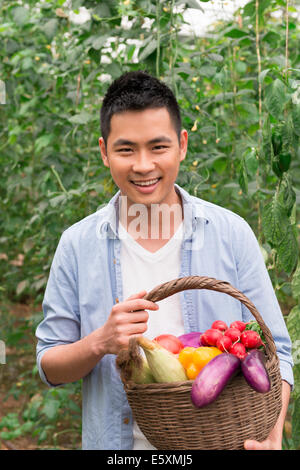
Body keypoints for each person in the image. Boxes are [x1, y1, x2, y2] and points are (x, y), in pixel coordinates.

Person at [36, 70, 293, 451]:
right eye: (126, 150)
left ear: (182, 145)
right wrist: (98, 343)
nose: (143, 165)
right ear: (105, 151)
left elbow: (279, 352)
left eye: (158, 147)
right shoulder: (77, 244)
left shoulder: (229, 233)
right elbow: (49, 365)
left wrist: (273, 432)